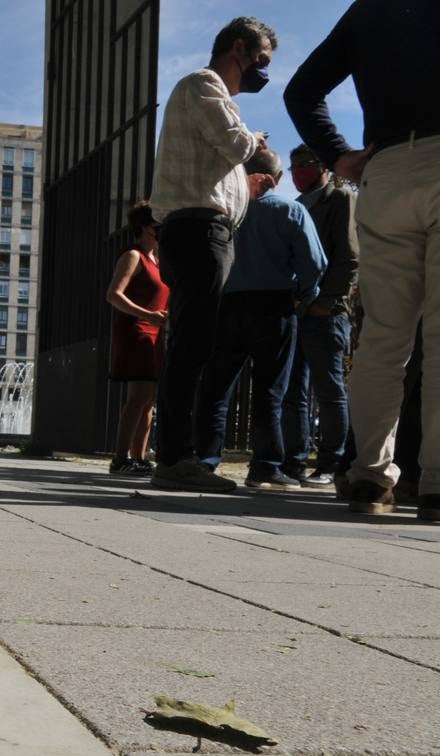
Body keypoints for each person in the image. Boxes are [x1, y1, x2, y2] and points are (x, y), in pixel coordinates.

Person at [284, 0, 440, 520]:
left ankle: (370, 476)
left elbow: (301, 91)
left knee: (382, 340)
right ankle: (436, 482)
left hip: (386, 168)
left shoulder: (370, 9)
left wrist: (338, 155)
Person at [149, 16, 275, 492]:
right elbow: (237, 144)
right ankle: (177, 458)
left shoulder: (204, 92)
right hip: (199, 231)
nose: (263, 70)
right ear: (238, 50)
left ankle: (179, 455)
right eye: (261, 59)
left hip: (202, 230)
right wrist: (256, 139)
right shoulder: (205, 85)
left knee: (193, 343)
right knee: (192, 345)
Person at [193, 149, 327, 490]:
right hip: (274, 304)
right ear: (275, 179)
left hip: (228, 304)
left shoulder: (226, 212)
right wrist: (304, 293)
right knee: (270, 389)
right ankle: (265, 466)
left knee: (216, 388)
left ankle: (205, 461)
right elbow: (315, 262)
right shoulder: (290, 210)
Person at [280, 143, 357, 488]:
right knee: (293, 390)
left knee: (329, 389)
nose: (298, 171)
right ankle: (293, 462)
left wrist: (329, 300)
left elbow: (348, 256)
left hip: (326, 311)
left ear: (324, 167)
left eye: (306, 164)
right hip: (295, 311)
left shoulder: (339, 200)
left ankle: (331, 462)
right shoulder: (294, 206)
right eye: (294, 165)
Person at [105, 200, 169, 475]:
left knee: (149, 398)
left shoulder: (157, 259)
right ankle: (120, 459)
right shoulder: (133, 256)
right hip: (137, 330)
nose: (162, 230)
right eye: (158, 226)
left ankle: (139, 457)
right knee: (139, 396)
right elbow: (113, 295)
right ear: (144, 227)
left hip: (155, 332)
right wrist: (148, 314)